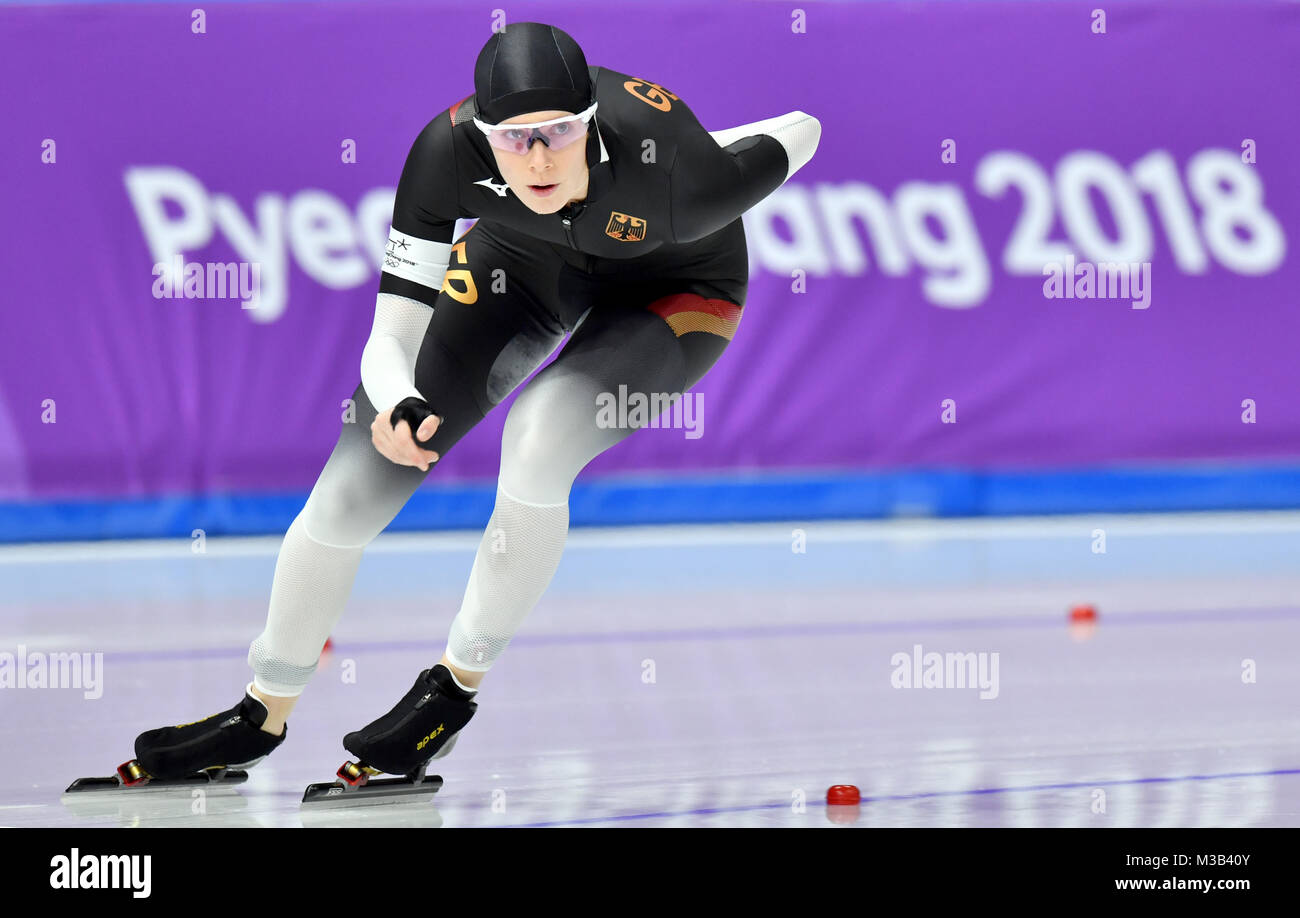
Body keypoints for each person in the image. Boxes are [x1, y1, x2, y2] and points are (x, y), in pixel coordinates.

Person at [130, 21, 821, 784]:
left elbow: (802, 129)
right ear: (481, 134)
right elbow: (392, 329)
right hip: (520, 266)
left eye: (558, 133)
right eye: (513, 139)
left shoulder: (676, 173)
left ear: (591, 122)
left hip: (676, 288)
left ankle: (453, 691)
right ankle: (261, 713)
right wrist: (397, 404)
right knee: (355, 481)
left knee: (540, 436)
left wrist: (700, 149)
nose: (537, 158)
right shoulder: (443, 154)